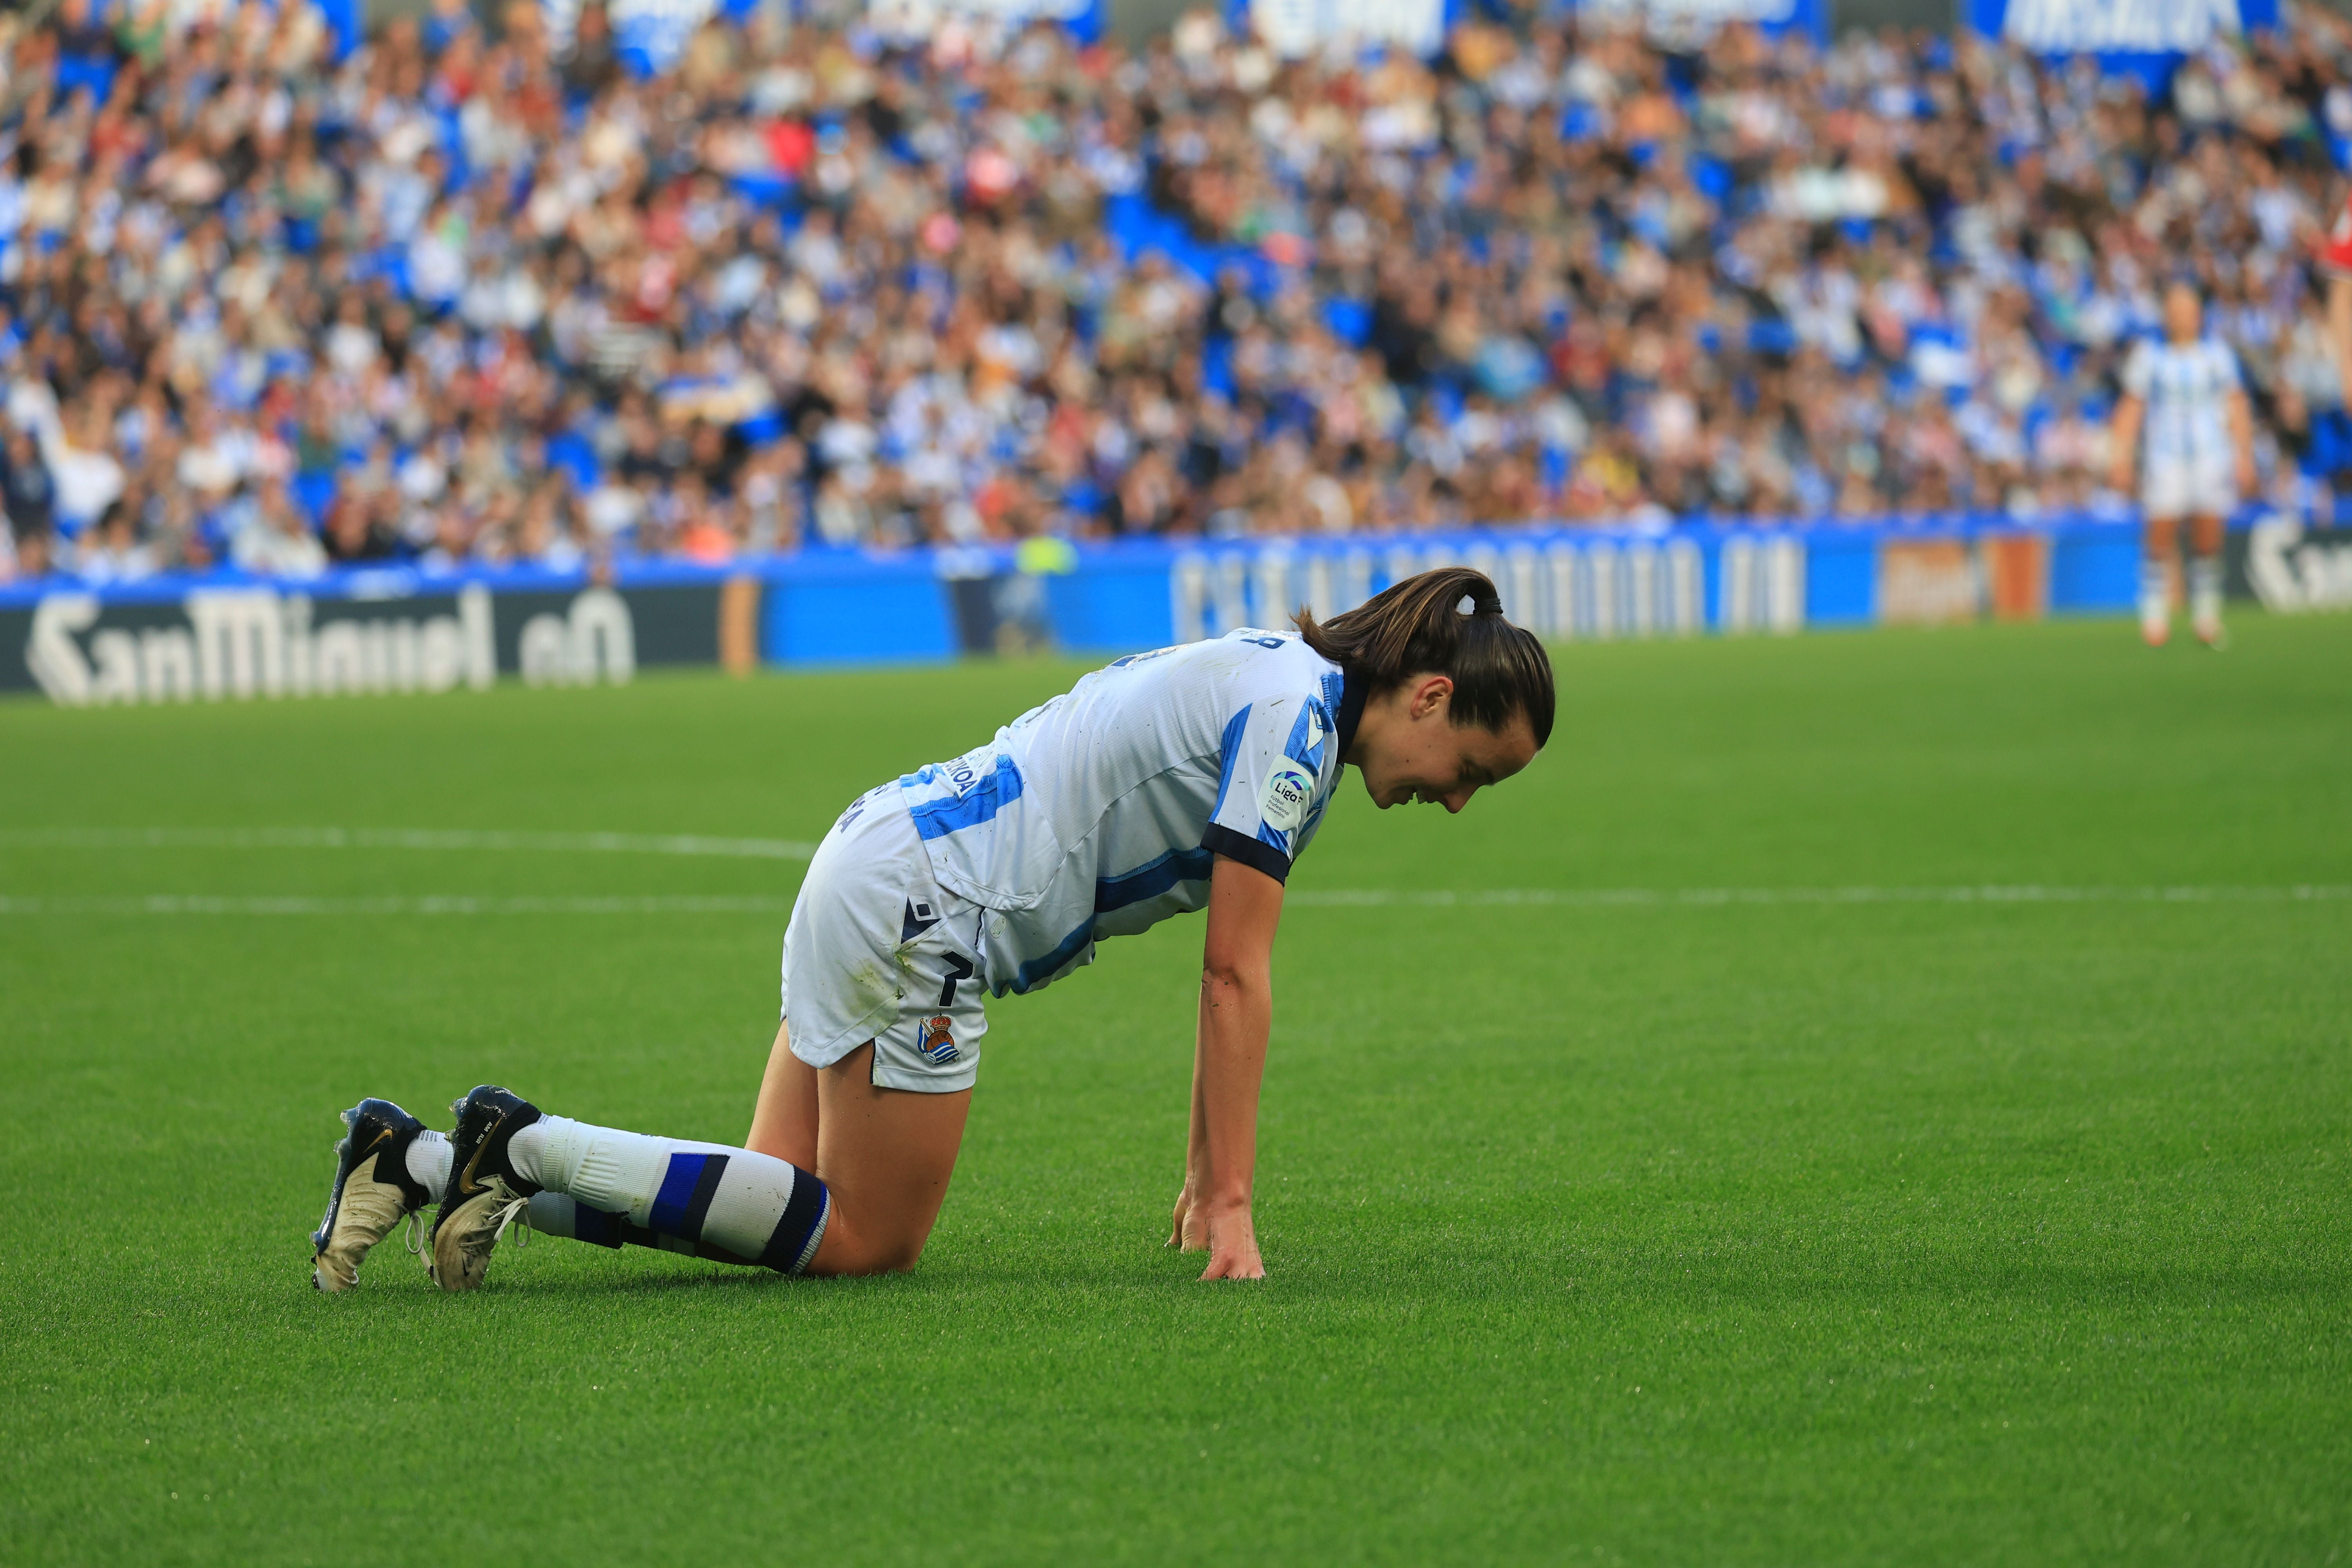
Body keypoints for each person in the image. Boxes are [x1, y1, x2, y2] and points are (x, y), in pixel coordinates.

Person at [309, 567, 1555, 1292]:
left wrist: (1195, 1173)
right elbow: (1231, 973)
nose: (1452, 799)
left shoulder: (1283, 681)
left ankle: (413, 1160)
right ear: (1429, 693)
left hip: (878, 851)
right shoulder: (1294, 732)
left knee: (765, 1211)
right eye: (1468, 771)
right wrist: (1229, 1201)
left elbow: (1218, 968)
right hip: (928, 910)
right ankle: (518, 1144)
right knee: (866, 1239)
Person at [2108, 281, 2256, 648]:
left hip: (2210, 455)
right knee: (2160, 533)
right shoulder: (2149, 355)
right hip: (2165, 457)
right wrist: (2121, 457)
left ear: (2198, 314)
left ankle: (2206, 616)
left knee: (2208, 534)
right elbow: (2131, 408)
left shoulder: (2217, 355)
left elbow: (2237, 405)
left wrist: (2244, 455)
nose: (2180, 316)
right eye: (2173, 309)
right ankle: (2154, 617)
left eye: (2186, 308)